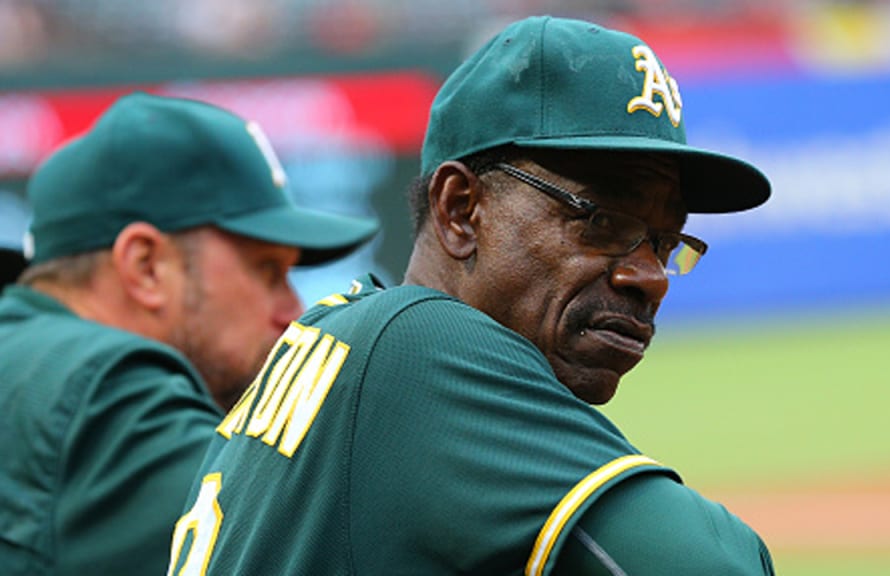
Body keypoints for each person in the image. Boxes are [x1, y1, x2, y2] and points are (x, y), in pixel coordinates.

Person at [169, 16, 774, 575]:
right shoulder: (417, 346)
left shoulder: (349, 341)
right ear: (460, 209)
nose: (651, 276)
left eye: (665, 242)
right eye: (601, 222)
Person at [0, 92, 378, 576]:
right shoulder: (107, 391)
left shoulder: (32, 361)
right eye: (266, 270)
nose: (293, 309)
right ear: (146, 266)